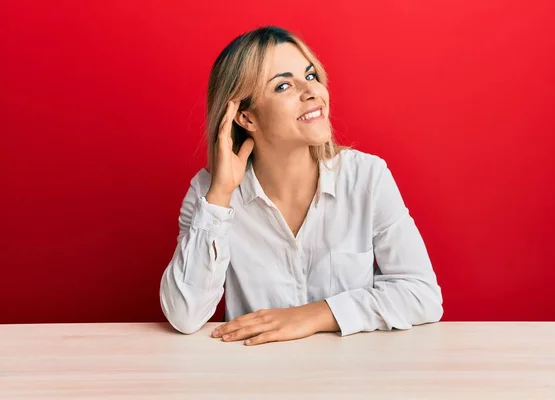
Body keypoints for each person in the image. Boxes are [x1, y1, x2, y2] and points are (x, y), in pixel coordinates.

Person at [160, 26, 443, 346]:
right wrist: (220, 196)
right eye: (283, 85)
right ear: (246, 118)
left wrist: (316, 314)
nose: (312, 92)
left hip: (353, 378)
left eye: (310, 76)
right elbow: (184, 315)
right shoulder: (209, 193)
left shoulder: (367, 177)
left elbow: (422, 295)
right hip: (255, 377)